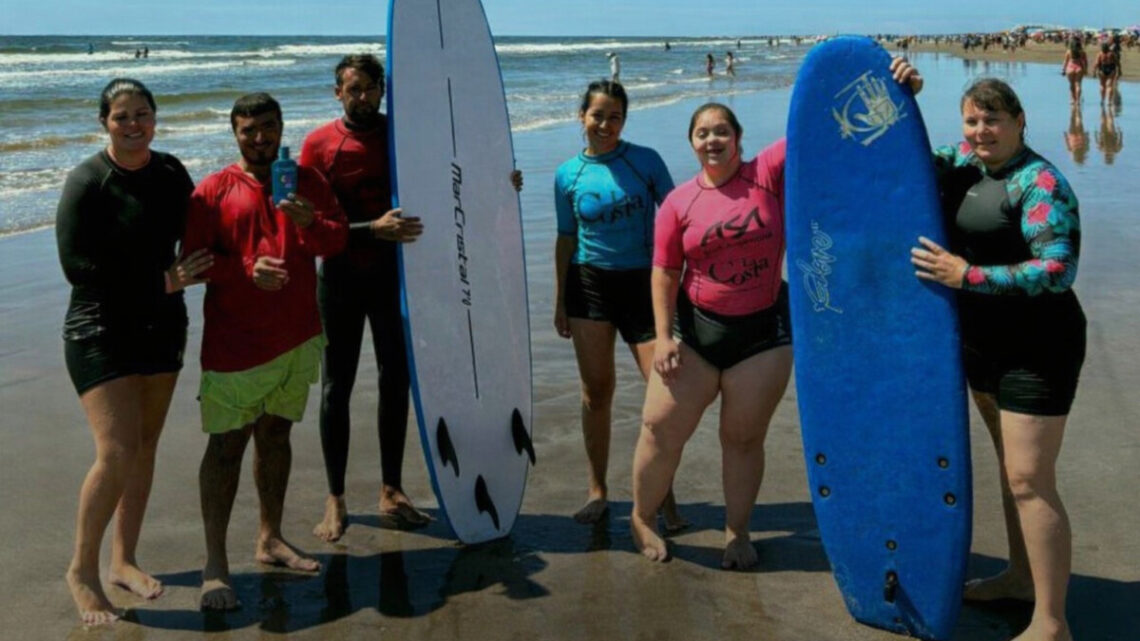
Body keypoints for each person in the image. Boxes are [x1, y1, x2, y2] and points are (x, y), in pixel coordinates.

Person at [896, 59, 1085, 641]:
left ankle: (1052, 623)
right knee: (1011, 474)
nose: (982, 131)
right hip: (983, 346)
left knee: (1030, 479)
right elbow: (899, 163)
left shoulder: (1040, 183)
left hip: (1038, 347)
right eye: (973, 120)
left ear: (1020, 121)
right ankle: (1020, 578)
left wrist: (966, 275)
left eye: (993, 120)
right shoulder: (963, 164)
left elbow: (1057, 270)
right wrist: (906, 99)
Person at [182, 92, 348, 610]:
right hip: (236, 346)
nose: (260, 138)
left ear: (282, 128)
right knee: (226, 448)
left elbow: (336, 241)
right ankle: (215, 564)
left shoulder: (307, 181)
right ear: (234, 132)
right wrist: (246, 270)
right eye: (249, 129)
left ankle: (270, 537)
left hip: (298, 335)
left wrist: (307, 224)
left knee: (276, 436)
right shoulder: (212, 190)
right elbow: (191, 262)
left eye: (268, 128)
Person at [56, 77, 212, 624]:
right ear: (104, 122)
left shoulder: (170, 173)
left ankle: (123, 560)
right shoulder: (87, 182)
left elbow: (202, 232)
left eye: (142, 113)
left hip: (161, 326)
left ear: (155, 117)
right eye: (121, 116)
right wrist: (160, 282)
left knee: (145, 446)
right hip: (99, 329)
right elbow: (77, 268)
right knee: (117, 449)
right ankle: (82, 569)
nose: (133, 124)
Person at [628, 103, 791, 570]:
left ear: (739, 136)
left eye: (722, 131)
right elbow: (664, 271)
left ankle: (737, 532)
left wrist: (891, 83)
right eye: (702, 133)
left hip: (762, 333)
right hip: (694, 332)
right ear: (691, 142)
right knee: (660, 429)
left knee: (742, 439)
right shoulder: (679, 203)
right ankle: (641, 517)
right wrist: (662, 337)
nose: (712, 140)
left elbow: (820, 123)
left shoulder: (768, 173)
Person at [299, 54, 429, 541]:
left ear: (382, 90)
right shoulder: (319, 145)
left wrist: (504, 181)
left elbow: (447, 179)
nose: (364, 97)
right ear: (338, 92)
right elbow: (313, 229)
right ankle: (335, 498)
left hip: (394, 278)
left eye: (372, 87)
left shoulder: (401, 135)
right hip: (341, 280)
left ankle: (391, 490)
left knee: (396, 380)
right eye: (353, 89)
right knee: (338, 387)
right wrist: (372, 230)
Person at [554, 80, 683, 527]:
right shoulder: (567, 174)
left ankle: (662, 492)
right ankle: (598, 490)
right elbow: (566, 239)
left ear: (624, 120)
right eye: (597, 115)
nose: (605, 124)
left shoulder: (644, 161)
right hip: (588, 285)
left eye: (615, 117)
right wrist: (558, 301)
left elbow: (677, 216)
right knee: (596, 393)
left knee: (663, 395)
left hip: (642, 285)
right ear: (582, 116)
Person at [1061, 37, 1087, 104]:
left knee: (1071, 84)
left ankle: (1072, 100)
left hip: (1070, 68)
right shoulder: (1082, 52)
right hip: (1079, 68)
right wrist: (1085, 69)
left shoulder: (1069, 52)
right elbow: (1085, 62)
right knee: (1078, 84)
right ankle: (1078, 101)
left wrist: (1063, 69)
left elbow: (1065, 61)